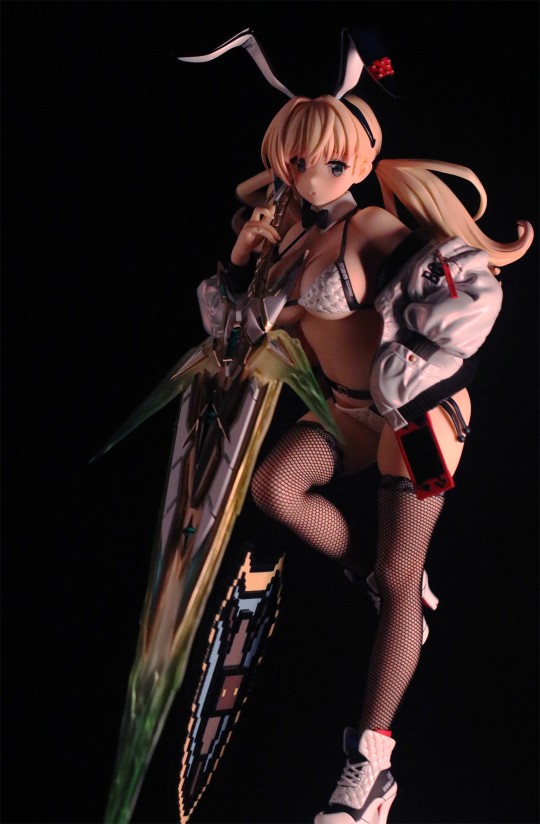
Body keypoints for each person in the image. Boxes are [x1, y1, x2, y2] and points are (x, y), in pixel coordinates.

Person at [219, 91, 533, 823]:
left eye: (332, 162)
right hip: (348, 411)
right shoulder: (283, 242)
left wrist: (408, 366)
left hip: (421, 417)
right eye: (298, 160)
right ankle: (385, 588)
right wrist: (239, 263)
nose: (313, 174)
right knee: (276, 487)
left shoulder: (370, 226)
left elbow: (473, 295)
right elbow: (231, 343)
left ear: (359, 160)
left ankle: (371, 770)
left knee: (401, 574)